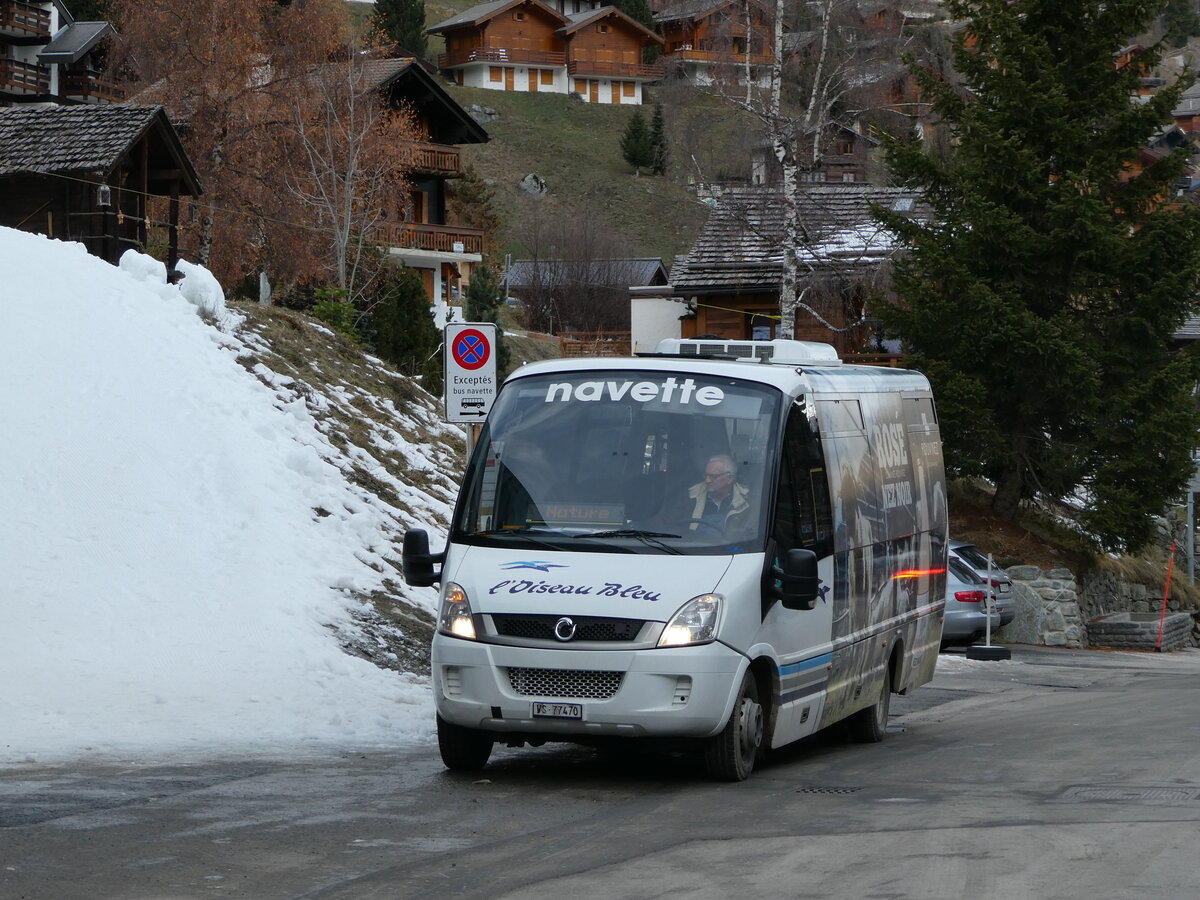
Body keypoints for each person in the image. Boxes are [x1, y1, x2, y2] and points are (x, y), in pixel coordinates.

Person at [685, 454, 753, 540]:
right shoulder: (690, 497)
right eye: (706, 475)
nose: (707, 480)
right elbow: (674, 527)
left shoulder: (747, 502)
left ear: (730, 478)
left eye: (713, 476)